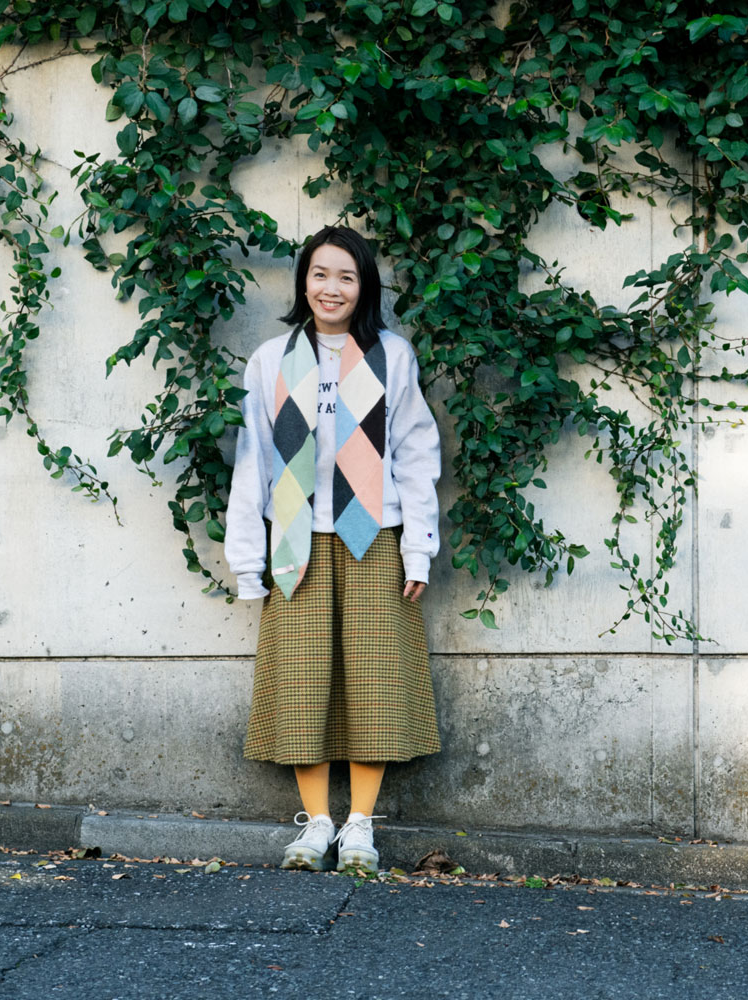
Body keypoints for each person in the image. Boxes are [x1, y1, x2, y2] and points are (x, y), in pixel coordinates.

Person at [225, 225, 443, 875]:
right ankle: (317, 822)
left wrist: (419, 549)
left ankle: (359, 827)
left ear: (363, 286)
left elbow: (416, 452)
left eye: (346, 276)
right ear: (304, 281)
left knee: (375, 678)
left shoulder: (391, 357)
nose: (332, 288)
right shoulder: (271, 361)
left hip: (374, 534)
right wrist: (247, 560)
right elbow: (252, 462)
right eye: (320, 274)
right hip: (297, 535)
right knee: (301, 678)